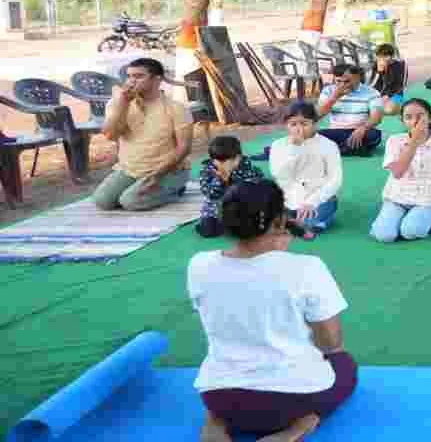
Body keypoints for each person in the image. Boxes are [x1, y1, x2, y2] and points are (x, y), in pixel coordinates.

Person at [190, 181, 356, 442]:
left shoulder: (198, 265)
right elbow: (331, 343)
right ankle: (299, 426)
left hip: (219, 396)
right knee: (345, 364)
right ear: (280, 222)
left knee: (229, 378)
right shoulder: (307, 267)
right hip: (289, 404)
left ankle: (216, 420)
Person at [87, 57, 193, 211]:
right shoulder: (117, 103)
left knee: (130, 201)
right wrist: (122, 104)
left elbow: (184, 148)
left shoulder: (176, 108)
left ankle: (176, 190)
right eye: (129, 76)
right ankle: (142, 191)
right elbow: (110, 135)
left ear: (157, 80)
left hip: (168, 171)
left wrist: (157, 175)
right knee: (102, 201)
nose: (131, 81)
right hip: (130, 169)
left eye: (138, 76)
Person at [371, 98, 431, 243]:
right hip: (396, 199)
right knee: (385, 236)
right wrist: (414, 142)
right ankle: (391, 219)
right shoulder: (394, 141)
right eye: (408, 117)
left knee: (410, 232)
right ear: (402, 121)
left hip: (424, 201)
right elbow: (398, 172)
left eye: (420, 116)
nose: (415, 121)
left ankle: (418, 219)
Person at [270, 102, 342, 239]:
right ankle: (297, 222)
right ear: (286, 125)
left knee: (308, 221)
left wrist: (312, 202)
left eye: (304, 123)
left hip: (318, 199)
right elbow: (278, 175)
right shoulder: (278, 145)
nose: (299, 129)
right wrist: (295, 148)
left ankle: (317, 220)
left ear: (314, 123)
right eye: (293, 124)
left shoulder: (329, 145)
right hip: (288, 199)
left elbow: (335, 179)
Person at [197, 136, 265, 238]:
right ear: (212, 160)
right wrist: (220, 180)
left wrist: (233, 180)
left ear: (238, 158)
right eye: (219, 161)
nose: (223, 166)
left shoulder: (246, 167)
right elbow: (210, 194)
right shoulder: (208, 171)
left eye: (228, 161)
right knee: (208, 231)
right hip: (215, 210)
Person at [316, 64, 384, 157]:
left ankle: (337, 149)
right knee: (313, 136)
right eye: (338, 81)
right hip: (336, 132)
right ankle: (352, 149)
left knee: (374, 135)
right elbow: (318, 115)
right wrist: (334, 97)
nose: (343, 85)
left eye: (347, 81)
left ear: (358, 78)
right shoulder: (328, 91)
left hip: (361, 131)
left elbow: (377, 118)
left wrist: (363, 128)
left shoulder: (371, 92)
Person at [368, 44, 407, 116]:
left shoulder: (401, 65)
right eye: (379, 56)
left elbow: (401, 85)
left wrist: (388, 96)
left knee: (389, 110)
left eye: (384, 56)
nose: (381, 59)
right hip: (379, 95)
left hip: (396, 94)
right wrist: (379, 72)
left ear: (390, 56)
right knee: (366, 108)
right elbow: (372, 85)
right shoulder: (376, 65)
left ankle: (398, 106)